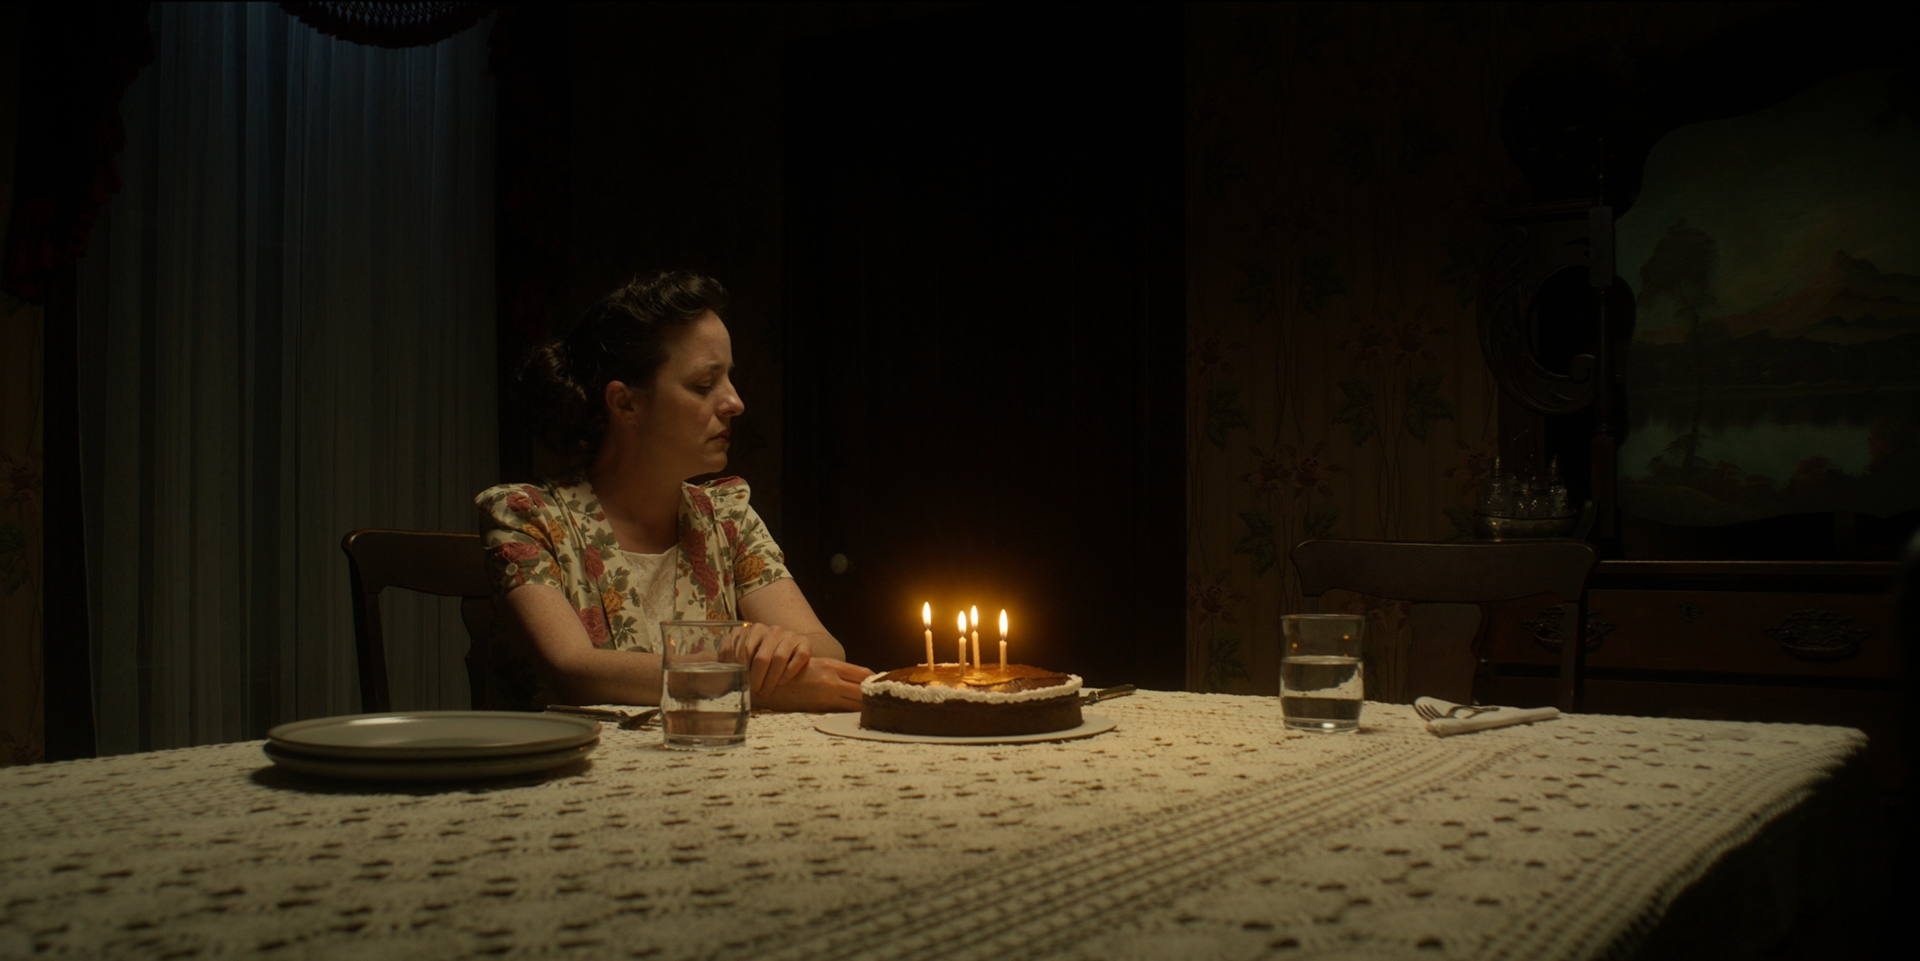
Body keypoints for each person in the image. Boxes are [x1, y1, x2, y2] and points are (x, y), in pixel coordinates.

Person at [475, 271, 871, 711]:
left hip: (706, 753)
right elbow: (575, 670)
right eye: (704, 385)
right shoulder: (526, 516)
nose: (735, 402)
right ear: (625, 402)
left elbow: (826, 649)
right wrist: (745, 678)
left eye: (729, 379)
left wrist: (784, 650)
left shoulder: (726, 517)